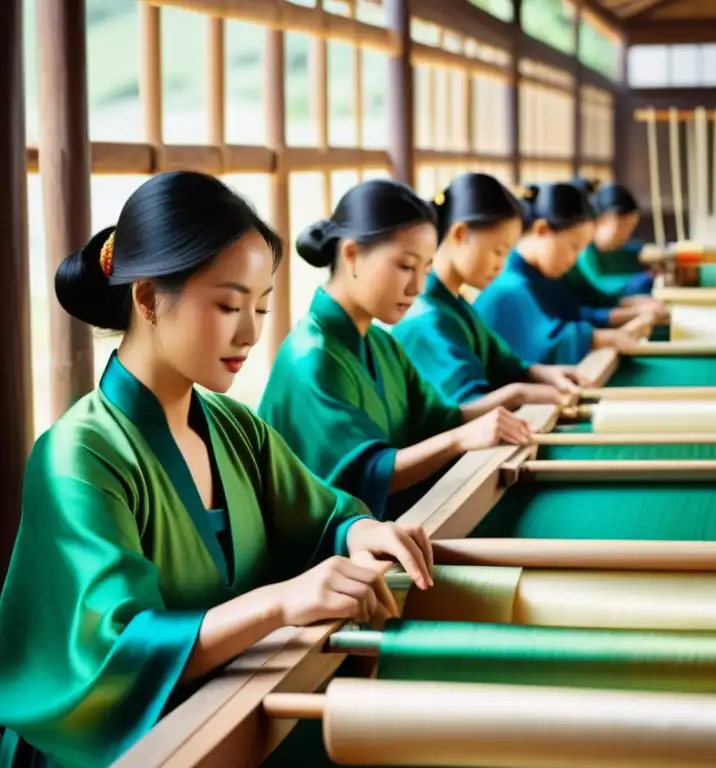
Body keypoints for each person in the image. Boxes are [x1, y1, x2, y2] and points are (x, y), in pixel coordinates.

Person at [0, 171, 433, 768]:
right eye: (229, 305)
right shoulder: (77, 454)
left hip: (230, 714)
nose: (251, 332)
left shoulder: (234, 424)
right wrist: (279, 604)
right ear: (148, 298)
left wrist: (364, 531)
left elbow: (322, 517)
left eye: (260, 306)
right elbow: (118, 651)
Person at [258, 179, 533, 523]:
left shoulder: (380, 342)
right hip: (321, 560)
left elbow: (441, 419)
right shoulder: (312, 359)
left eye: (426, 271)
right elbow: (367, 472)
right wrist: (459, 439)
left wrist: (514, 396)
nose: (417, 287)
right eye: (405, 266)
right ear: (352, 254)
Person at [391, 172, 587, 408]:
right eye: (497, 251)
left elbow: (504, 363)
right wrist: (521, 393)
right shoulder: (426, 315)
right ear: (460, 234)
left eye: (506, 254)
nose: (500, 265)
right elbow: (464, 408)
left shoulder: (454, 302)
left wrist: (541, 373)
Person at [473, 182, 656, 366]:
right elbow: (542, 345)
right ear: (542, 230)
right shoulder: (508, 287)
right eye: (573, 247)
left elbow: (574, 313)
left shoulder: (543, 274)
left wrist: (628, 315)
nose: (574, 259)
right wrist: (600, 337)